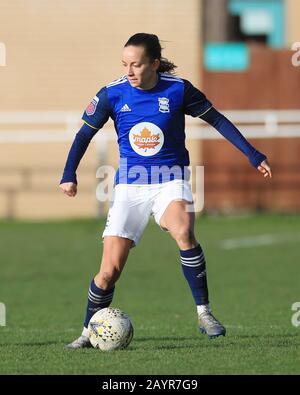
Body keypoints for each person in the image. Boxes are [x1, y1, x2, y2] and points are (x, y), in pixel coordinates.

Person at [59, 33, 272, 348]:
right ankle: (88, 333)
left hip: (170, 180)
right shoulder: (112, 94)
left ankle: (204, 312)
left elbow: (218, 121)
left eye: (136, 64)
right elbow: (83, 136)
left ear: (154, 63)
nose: (129, 71)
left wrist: (253, 154)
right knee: (108, 272)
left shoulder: (178, 90)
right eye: (125, 64)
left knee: (184, 230)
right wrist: (69, 173)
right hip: (130, 186)